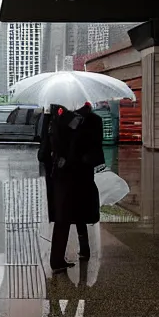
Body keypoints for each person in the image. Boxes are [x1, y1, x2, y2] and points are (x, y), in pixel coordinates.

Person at [45, 102, 105, 273]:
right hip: (77, 173)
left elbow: (50, 146)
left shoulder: (58, 118)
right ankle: (75, 252)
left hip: (65, 173)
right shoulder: (90, 120)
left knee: (65, 215)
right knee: (77, 211)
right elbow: (96, 146)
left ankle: (60, 259)